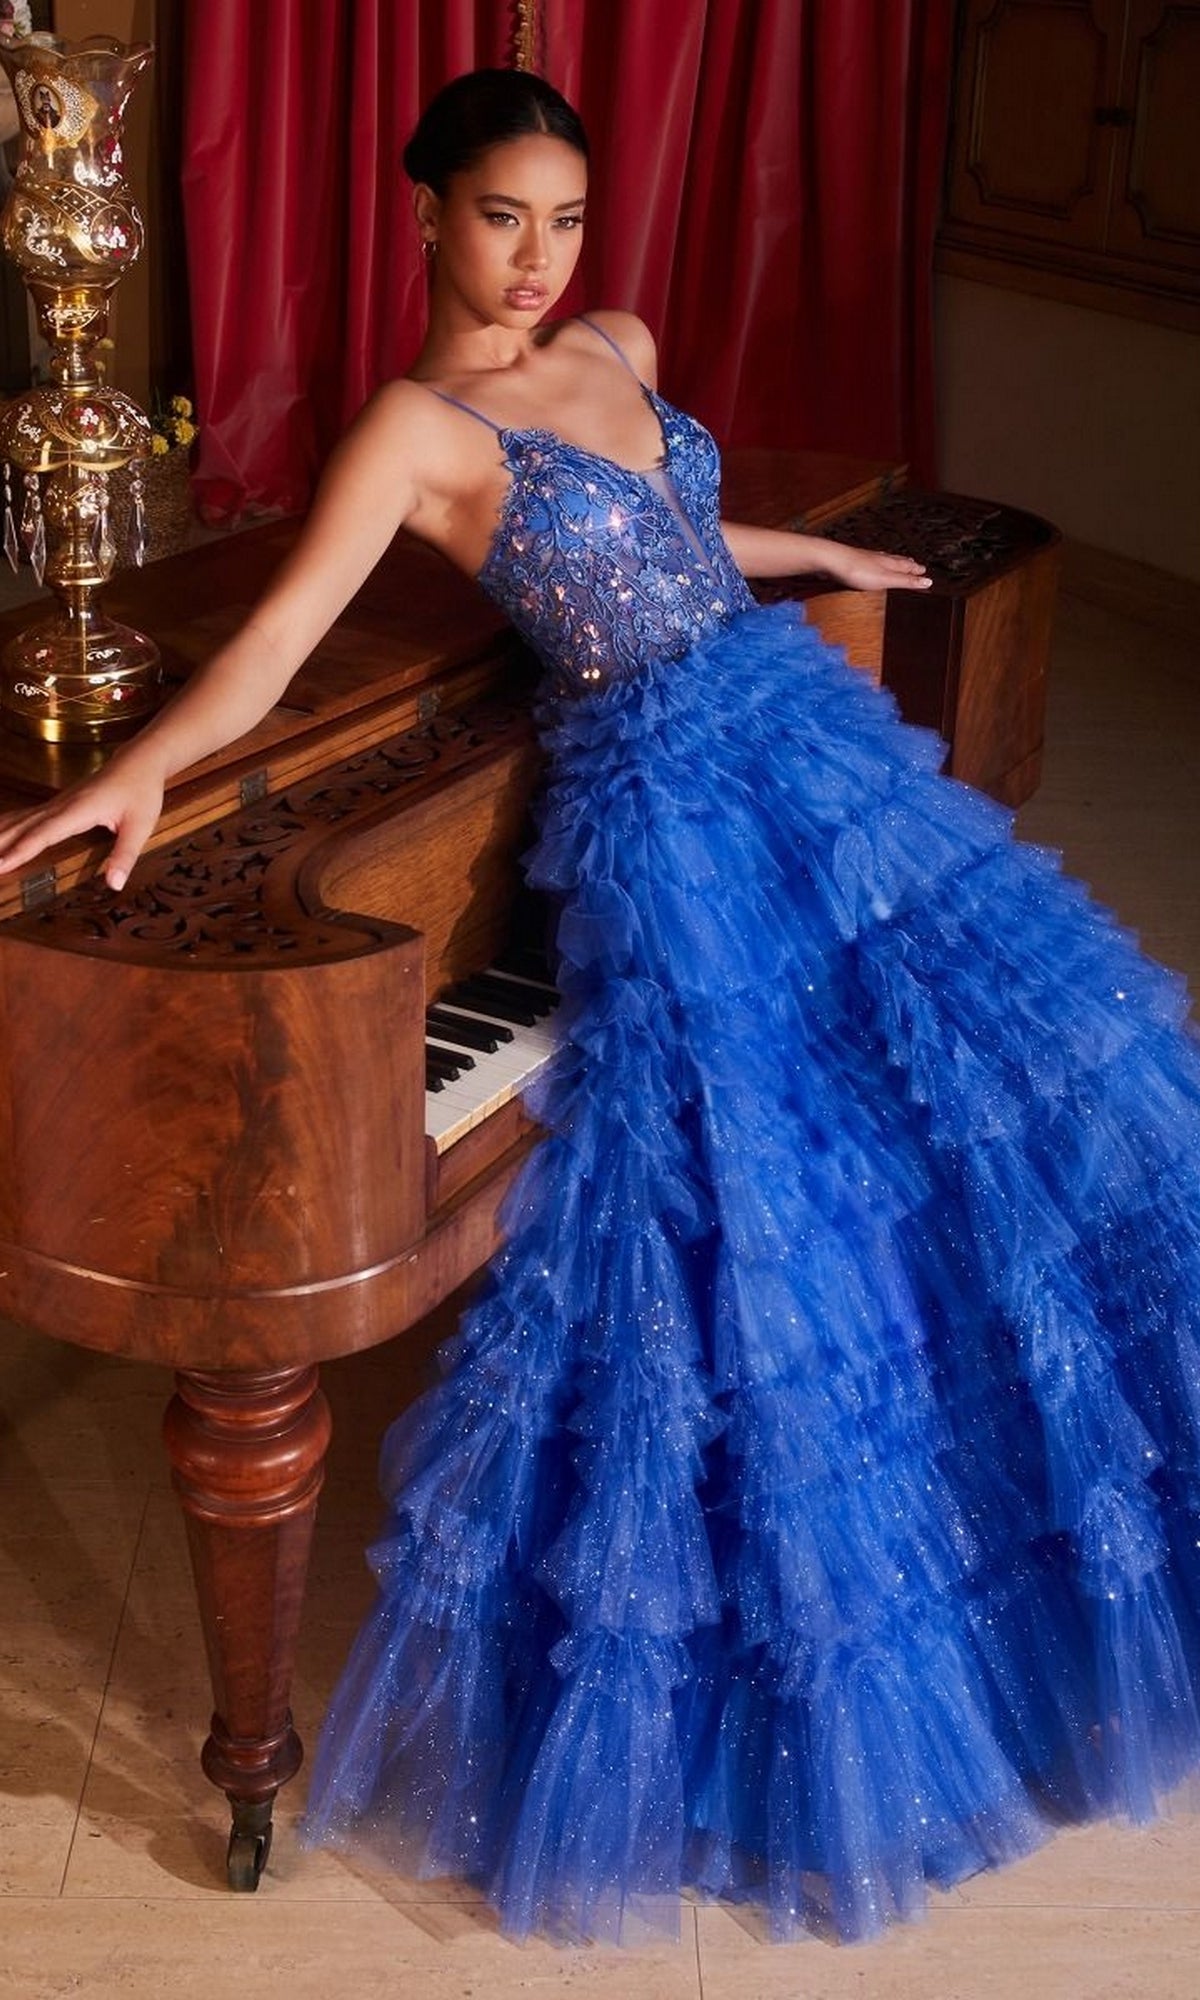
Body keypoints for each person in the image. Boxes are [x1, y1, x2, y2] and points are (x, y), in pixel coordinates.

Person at [3, 65, 1200, 1948]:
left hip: (792, 734)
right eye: (503, 216)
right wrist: (129, 776)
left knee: (1011, 1079)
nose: (543, 259)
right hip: (664, 807)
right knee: (755, 1216)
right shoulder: (415, 428)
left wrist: (811, 555)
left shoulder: (622, 338)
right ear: (424, 215)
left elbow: (673, 543)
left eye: (565, 215)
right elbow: (271, 649)